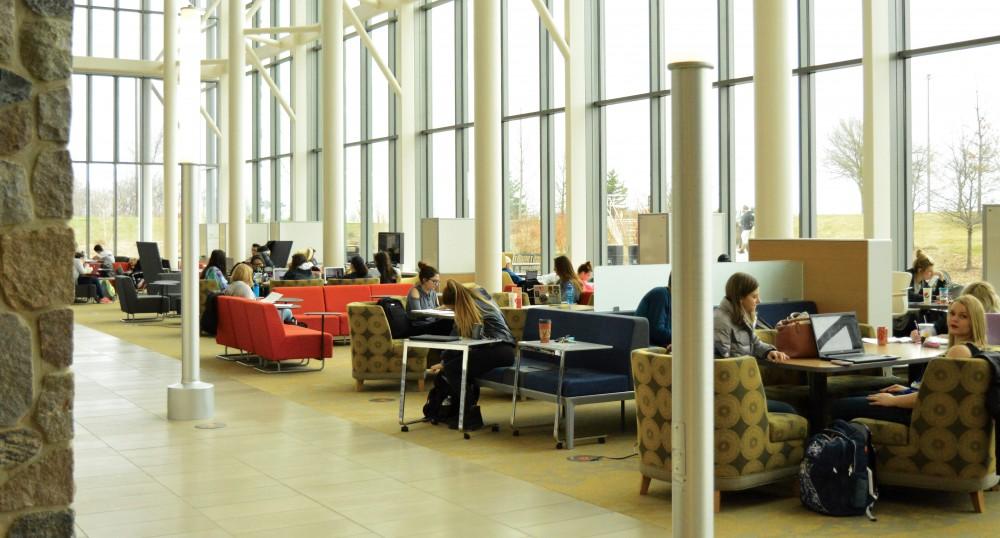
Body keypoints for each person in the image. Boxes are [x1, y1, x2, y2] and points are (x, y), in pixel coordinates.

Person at [832, 295, 987, 425]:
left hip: (919, 413)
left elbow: (933, 397)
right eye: (952, 313)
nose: (955, 319)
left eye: (963, 316)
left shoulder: (959, 351)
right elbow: (936, 390)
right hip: (920, 404)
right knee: (853, 396)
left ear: (975, 321)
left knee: (839, 406)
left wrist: (893, 401)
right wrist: (908, 390)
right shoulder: (973, 348)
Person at [428, 280, 516, 428]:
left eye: (453, 309)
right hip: (503, 350)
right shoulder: (478, 298)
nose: (454, 312)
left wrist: (444, 361)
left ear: (456, 304)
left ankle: (470, 416)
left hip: (498, 350)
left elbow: (456, 338)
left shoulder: (469, 308)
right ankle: (463, 412)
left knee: (454, 369)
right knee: (458, 366)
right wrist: (446, 360)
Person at [713, 272, 796, 414]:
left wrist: (769, 351)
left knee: (794, 404)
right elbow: (722, 364)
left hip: (745, 387)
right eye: (754, 296)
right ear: (740, 298)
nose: (759, 301)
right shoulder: (721, 321)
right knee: (790, 409)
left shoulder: (741, 316)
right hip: (733, 394)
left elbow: (754, 342)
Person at [224, 263, 293, 323]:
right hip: (257, 319)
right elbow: (252, 307)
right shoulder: (244, 287)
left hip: (241, 319)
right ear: (248, 275)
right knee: (287, 311)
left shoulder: (230, 287)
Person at [636, 274, 671, 349]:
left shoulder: (676, 302)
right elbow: (657, 332)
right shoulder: (661, 294)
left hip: (662, 345)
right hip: (649, 347)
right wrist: (683, 337)